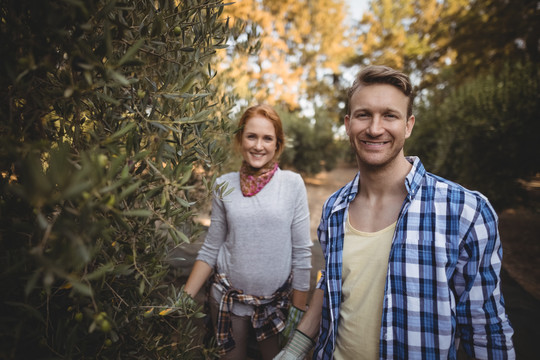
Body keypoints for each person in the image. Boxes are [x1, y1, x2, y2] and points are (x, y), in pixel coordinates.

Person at [276, 65, 515, 359]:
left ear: (408, 125)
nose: (375, 128)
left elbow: (486, 328)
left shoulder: (465, 211)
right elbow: (332, 284)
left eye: (389, 115)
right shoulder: (335, 209)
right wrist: (294, 351)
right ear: (348, 124)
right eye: (364, 115)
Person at [184, 104, 312, 359]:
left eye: (267, 138)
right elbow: (211, 248)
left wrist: (298, 313)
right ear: (240, 139)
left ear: (278, 144)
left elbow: (302, 252)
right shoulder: (224, 185)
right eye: (251, 136)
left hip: (276, 306)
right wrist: (182, 300)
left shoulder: (292, 184)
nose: (258, 145)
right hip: (227, 301)